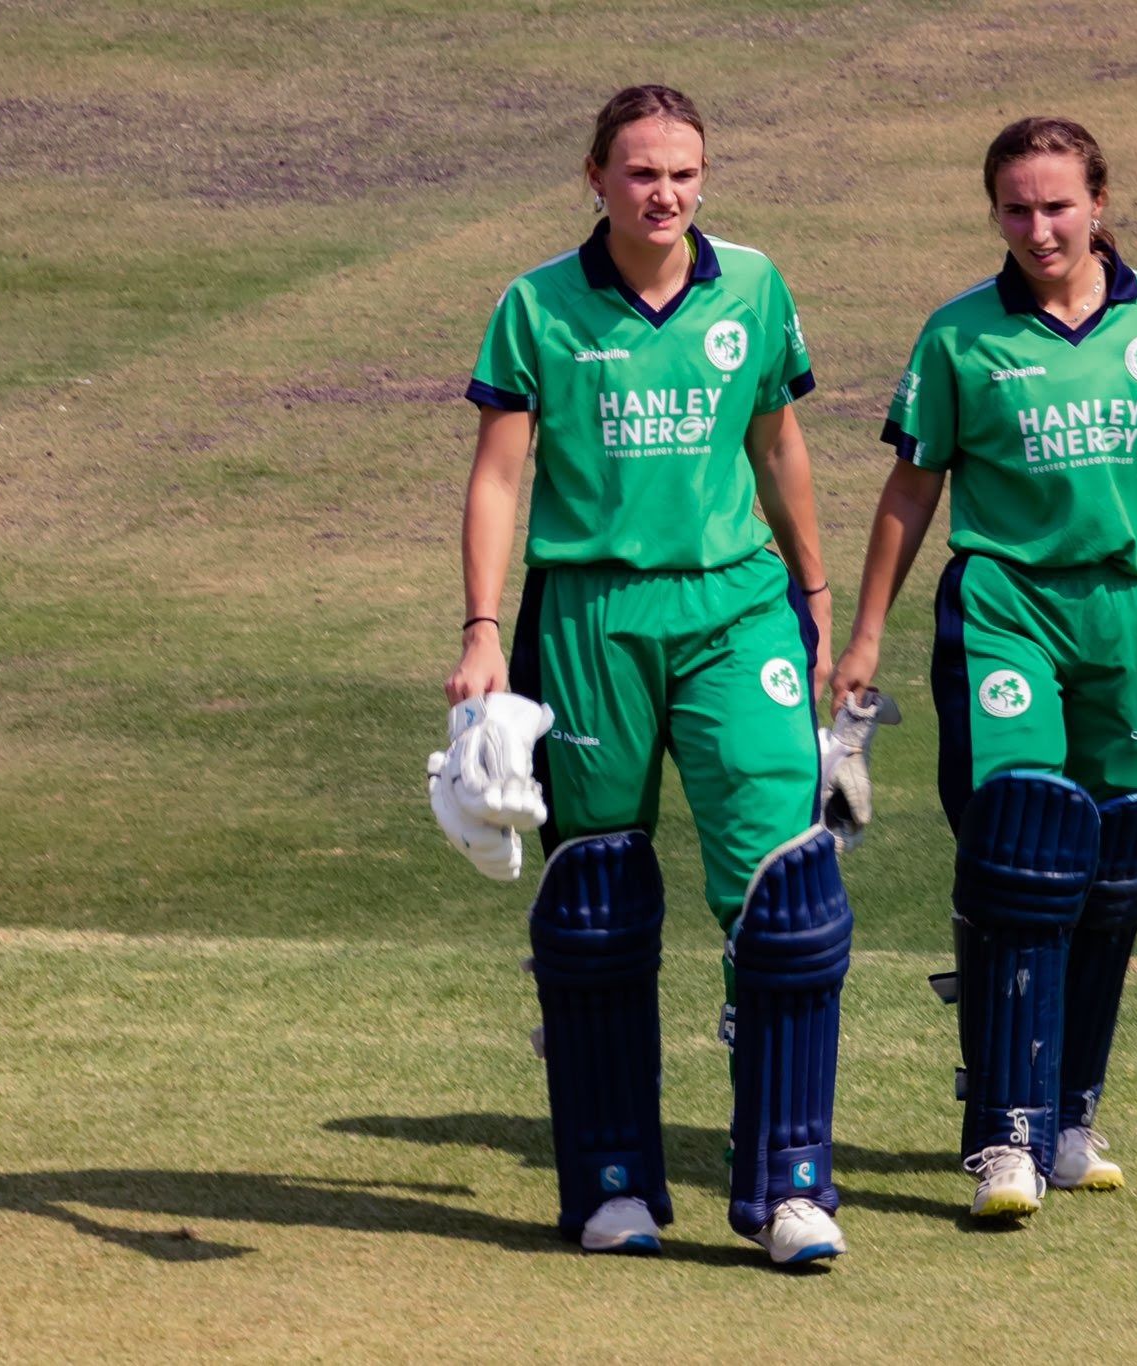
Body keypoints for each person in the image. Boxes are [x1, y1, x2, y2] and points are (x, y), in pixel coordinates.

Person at [829, 115, 1137, 1220]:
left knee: (1114, 873)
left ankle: (1067, 1116)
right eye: (1015, 207)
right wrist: (863, 635)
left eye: (1057, 204)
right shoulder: (961, 335)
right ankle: (1002, 1132)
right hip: (1006, 603)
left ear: (1098, 202)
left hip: (1133, 611)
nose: (1038, 227)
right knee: (1021, 849)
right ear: (992, 211)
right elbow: (912, 488)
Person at [445, 85, 852, 1265]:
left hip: (735, 606)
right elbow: (496, 479)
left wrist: (814, 598)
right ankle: (612, 1181)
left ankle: (787, 1190)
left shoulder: (755, 286)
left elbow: (776, 439)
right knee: (595, 905)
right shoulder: (536, 306)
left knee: (785, 899)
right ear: (595, 177)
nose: (662, 192)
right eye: (638, 173)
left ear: (703, 177)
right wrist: (481, 626)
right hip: (590, 612)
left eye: (681, 171)